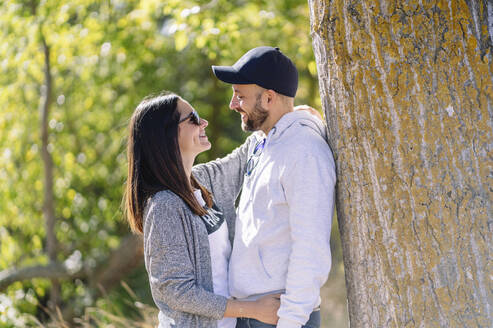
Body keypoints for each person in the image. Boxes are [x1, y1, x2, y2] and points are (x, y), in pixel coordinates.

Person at [124, 93, 281, 328]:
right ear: (167, 135)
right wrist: (253, 310)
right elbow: (176, 291)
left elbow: (248, 152)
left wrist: (291, 114)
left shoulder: (202, 179)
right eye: (193, 118)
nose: (204, 122)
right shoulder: (164, 206)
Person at [210, 46, 337, 328]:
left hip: (280, 318)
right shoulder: (262, 142)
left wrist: (290, 322)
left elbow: (311, 248)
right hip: (252, 313)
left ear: (268, 98)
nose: (233, 104)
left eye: (240, 96)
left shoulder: (305, 152)